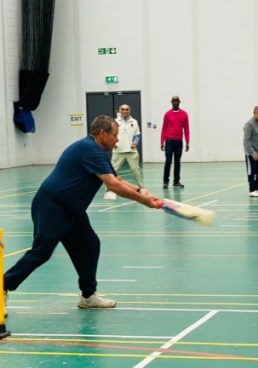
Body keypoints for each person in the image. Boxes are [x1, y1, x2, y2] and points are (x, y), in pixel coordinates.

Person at [3, 116, 160, 317]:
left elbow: (116, 179)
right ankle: (3, 286)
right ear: (102, 134)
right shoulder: (90, 149)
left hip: (72, 210)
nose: (117, 141)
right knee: (41, 252)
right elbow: (112, 186)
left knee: (89, 245)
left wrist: (140, 189)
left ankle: (88, 297)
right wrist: (142, 200)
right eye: (114, 136)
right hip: (52, 206)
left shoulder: (98, 150)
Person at [104, 104, 142, 200]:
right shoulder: (114, 122)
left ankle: (140, 188)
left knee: (136, 171)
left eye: (127, 109)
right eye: (123, 109)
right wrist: (113, 144)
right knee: (112, 171)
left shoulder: (134, 122)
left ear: (129, 111)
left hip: (131, 151)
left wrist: (135, 143)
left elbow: (137, 135)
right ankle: (109, 190)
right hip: (118, 151)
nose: (125, 111)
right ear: (120, 111)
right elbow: (110, 135)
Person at [161, 95, 190, 189]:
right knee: (168, 161)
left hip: (179, 142)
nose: (175, 103)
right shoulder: (167, 114)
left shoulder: (184, 114)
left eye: (177, 101)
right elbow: (164, 129)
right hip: (169, 141)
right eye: (174, 101)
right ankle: (165, 181)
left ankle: (176, 181)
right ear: (171, 102)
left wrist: (187, 142)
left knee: (177, 162)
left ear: (179, 102)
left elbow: (186, 129)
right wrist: (162, 142)